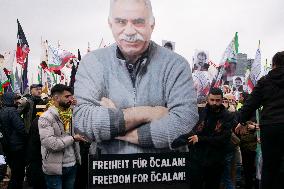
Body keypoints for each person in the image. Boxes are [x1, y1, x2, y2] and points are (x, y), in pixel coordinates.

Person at [73, 0, 198, 154]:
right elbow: (82, 120)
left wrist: (115, 123)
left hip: (162, 173)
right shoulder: (92, 63)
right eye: (121, 22)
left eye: (138, 22)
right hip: (110, 174)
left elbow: (185, 121)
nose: (130, 31)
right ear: (110, 24)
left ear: (152, 25)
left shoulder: (176, 65)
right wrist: (147, 113)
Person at [235, 51, 284, 189]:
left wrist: (241, 120)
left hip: (270, 127)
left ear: (274, 65)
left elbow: (250, 104)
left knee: (269, 167)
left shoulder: (265, 81)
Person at [38, 84, 86, 189]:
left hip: (72, 165)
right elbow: (51, 144)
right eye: (67, 96)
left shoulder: (69, 113)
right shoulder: (45, 118)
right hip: (54, 168)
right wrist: (73, 139)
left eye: (71, 96)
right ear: (56, 98)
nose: (71, 99)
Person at [188, 88, 234, 189]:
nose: (214, 103)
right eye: (212, 100)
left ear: (222, 100)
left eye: (217, 100)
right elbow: (192, 132)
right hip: (197, 160)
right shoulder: (200, 113)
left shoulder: (227, 116)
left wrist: (201, 139)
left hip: (215, 162)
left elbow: (223, 139)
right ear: (208, 99)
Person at [0, 92, 27, 189]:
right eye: (15, 99)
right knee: (18, 174)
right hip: (17, 147)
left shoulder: (3, 110)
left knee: (15, 173)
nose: (18, 101)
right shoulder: (12, 111)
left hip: (8, 146)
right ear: (10, 100)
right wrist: (27, 138)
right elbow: (21, 128)